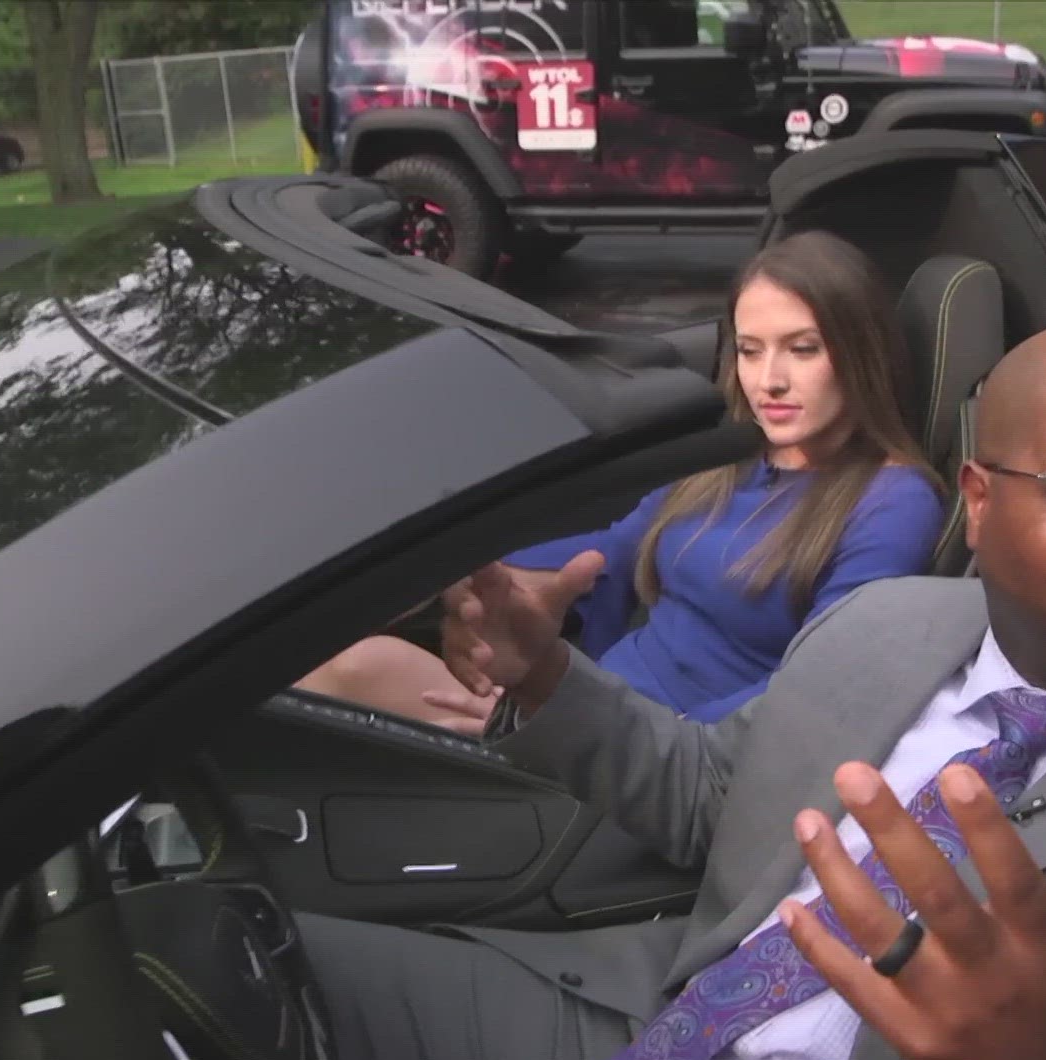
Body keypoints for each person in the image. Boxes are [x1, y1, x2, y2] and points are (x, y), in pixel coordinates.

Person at [290, 312, 1046, 1060]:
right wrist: (545, 676)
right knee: (220, 958)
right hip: (643, 1021)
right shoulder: (881, 626)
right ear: (982, 502)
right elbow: (713, 805)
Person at [295, 229, 946, 734]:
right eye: (750, 350)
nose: (768, 379)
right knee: (343, 663)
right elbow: (617, 547)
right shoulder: (734, 456)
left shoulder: (893, 503)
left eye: (802, 349)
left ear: (860, 354)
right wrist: (472, 578)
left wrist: (574, 723)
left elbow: (819, 692)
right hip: (585, 699)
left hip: (652, 762)